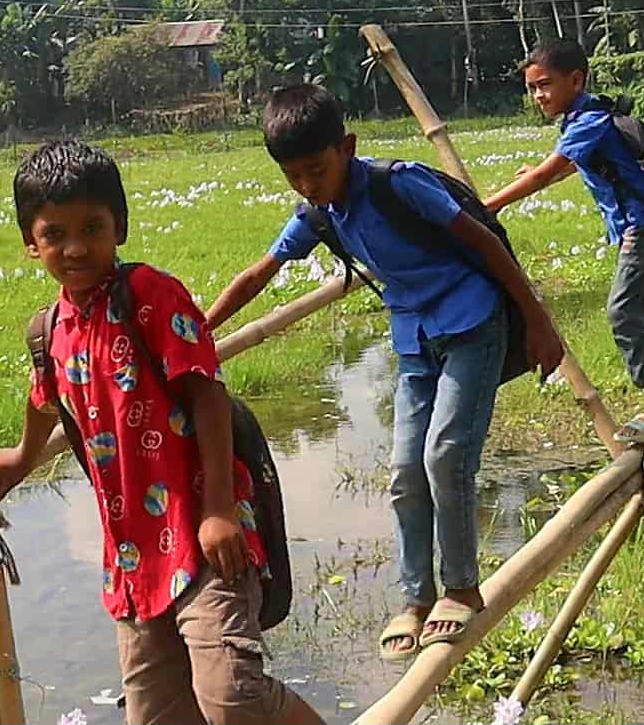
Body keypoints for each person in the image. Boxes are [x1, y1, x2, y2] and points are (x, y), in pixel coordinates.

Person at [0, 140, 322, 725]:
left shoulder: (150, 296)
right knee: (155, 716)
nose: (75, 247)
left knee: (234, 698)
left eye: (92, 227)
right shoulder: (48, 332)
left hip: (204, 541)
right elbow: (46, 401)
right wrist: (21, 458)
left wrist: (216, 512)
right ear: (31, 245)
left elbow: (206, 392)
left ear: (120, 227)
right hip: (133, 560)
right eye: (54, 233)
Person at [205, 85, 563, 661]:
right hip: (416, 341)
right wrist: (198, 329)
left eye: (316, 170)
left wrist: (539, 323)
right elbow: (261, 272)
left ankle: (462, 588)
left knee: (445, 454)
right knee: (403, 469)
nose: (308, 186)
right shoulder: (319, 215)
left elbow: (489, 246)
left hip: (474, 323)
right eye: (294, 177)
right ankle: (416, 598)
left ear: (347, 147)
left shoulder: (401, 184)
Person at [482, 40, 644, 446]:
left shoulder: (589, 121)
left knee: (624, 313)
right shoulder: (585, 118)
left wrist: (488, 206)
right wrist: (539, 171)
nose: (538, 95)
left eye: (545, 85)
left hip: (643, 230)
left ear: (576, 80)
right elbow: (567, 166)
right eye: (532, 88)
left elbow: (546, 175)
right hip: (641, 228)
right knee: (642, 314)